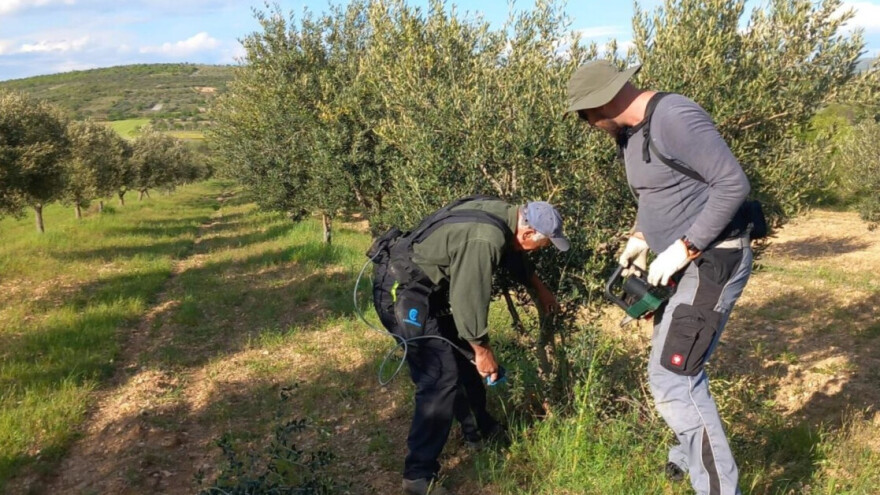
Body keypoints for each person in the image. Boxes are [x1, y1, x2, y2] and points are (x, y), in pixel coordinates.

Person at [565, 60, 753, 495]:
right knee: (668, 363)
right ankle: (685, 458)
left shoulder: (675, 116)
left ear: (604, 101)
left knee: (675, 376)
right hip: (679, 267)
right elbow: (655, 193)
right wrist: (640, 237)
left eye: (586, 114)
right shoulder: (630, 136)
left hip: (714, 260)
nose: (587, 123)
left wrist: (686, 246)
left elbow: (732, 184)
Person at [369, 195, 568, 495]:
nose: (542, 249)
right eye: (543, 244)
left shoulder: (506, 215)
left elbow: (516, 255)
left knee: (461, 365)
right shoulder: (485, 240)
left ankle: (479, 430)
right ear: (527, 233)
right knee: (438, 379)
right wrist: (482, 350)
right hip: (402, 292)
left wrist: (541, 289)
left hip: (427, 291)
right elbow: (467, 301)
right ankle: (418, 477)